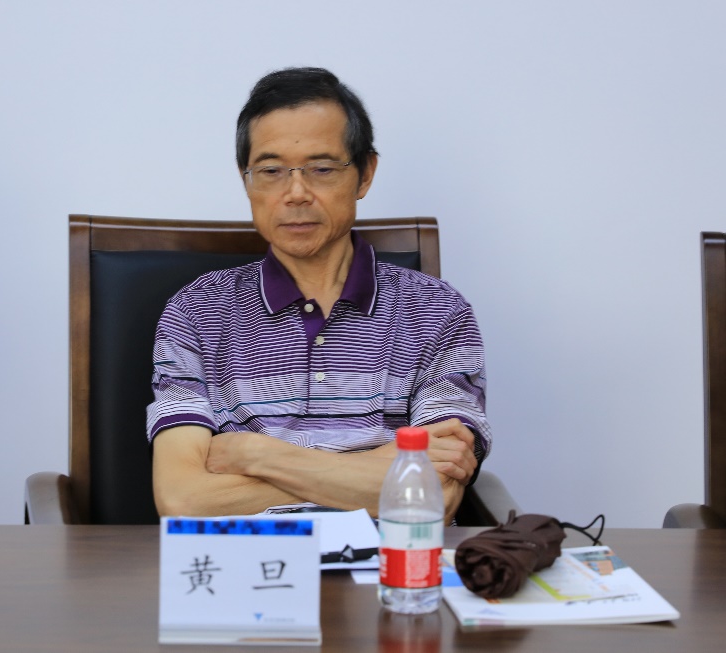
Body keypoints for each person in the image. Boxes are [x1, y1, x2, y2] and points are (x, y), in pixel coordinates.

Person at [147, 67, 491, 523]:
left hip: (389, 563)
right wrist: (379, 468)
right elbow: (183, 501)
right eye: (270, 171)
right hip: (247, 562)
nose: (295, 193)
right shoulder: (196, 311)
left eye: (322, 169)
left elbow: (434, 498)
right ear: (246, 179)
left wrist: (255, 454)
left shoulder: (438, 311)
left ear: (365, 174)